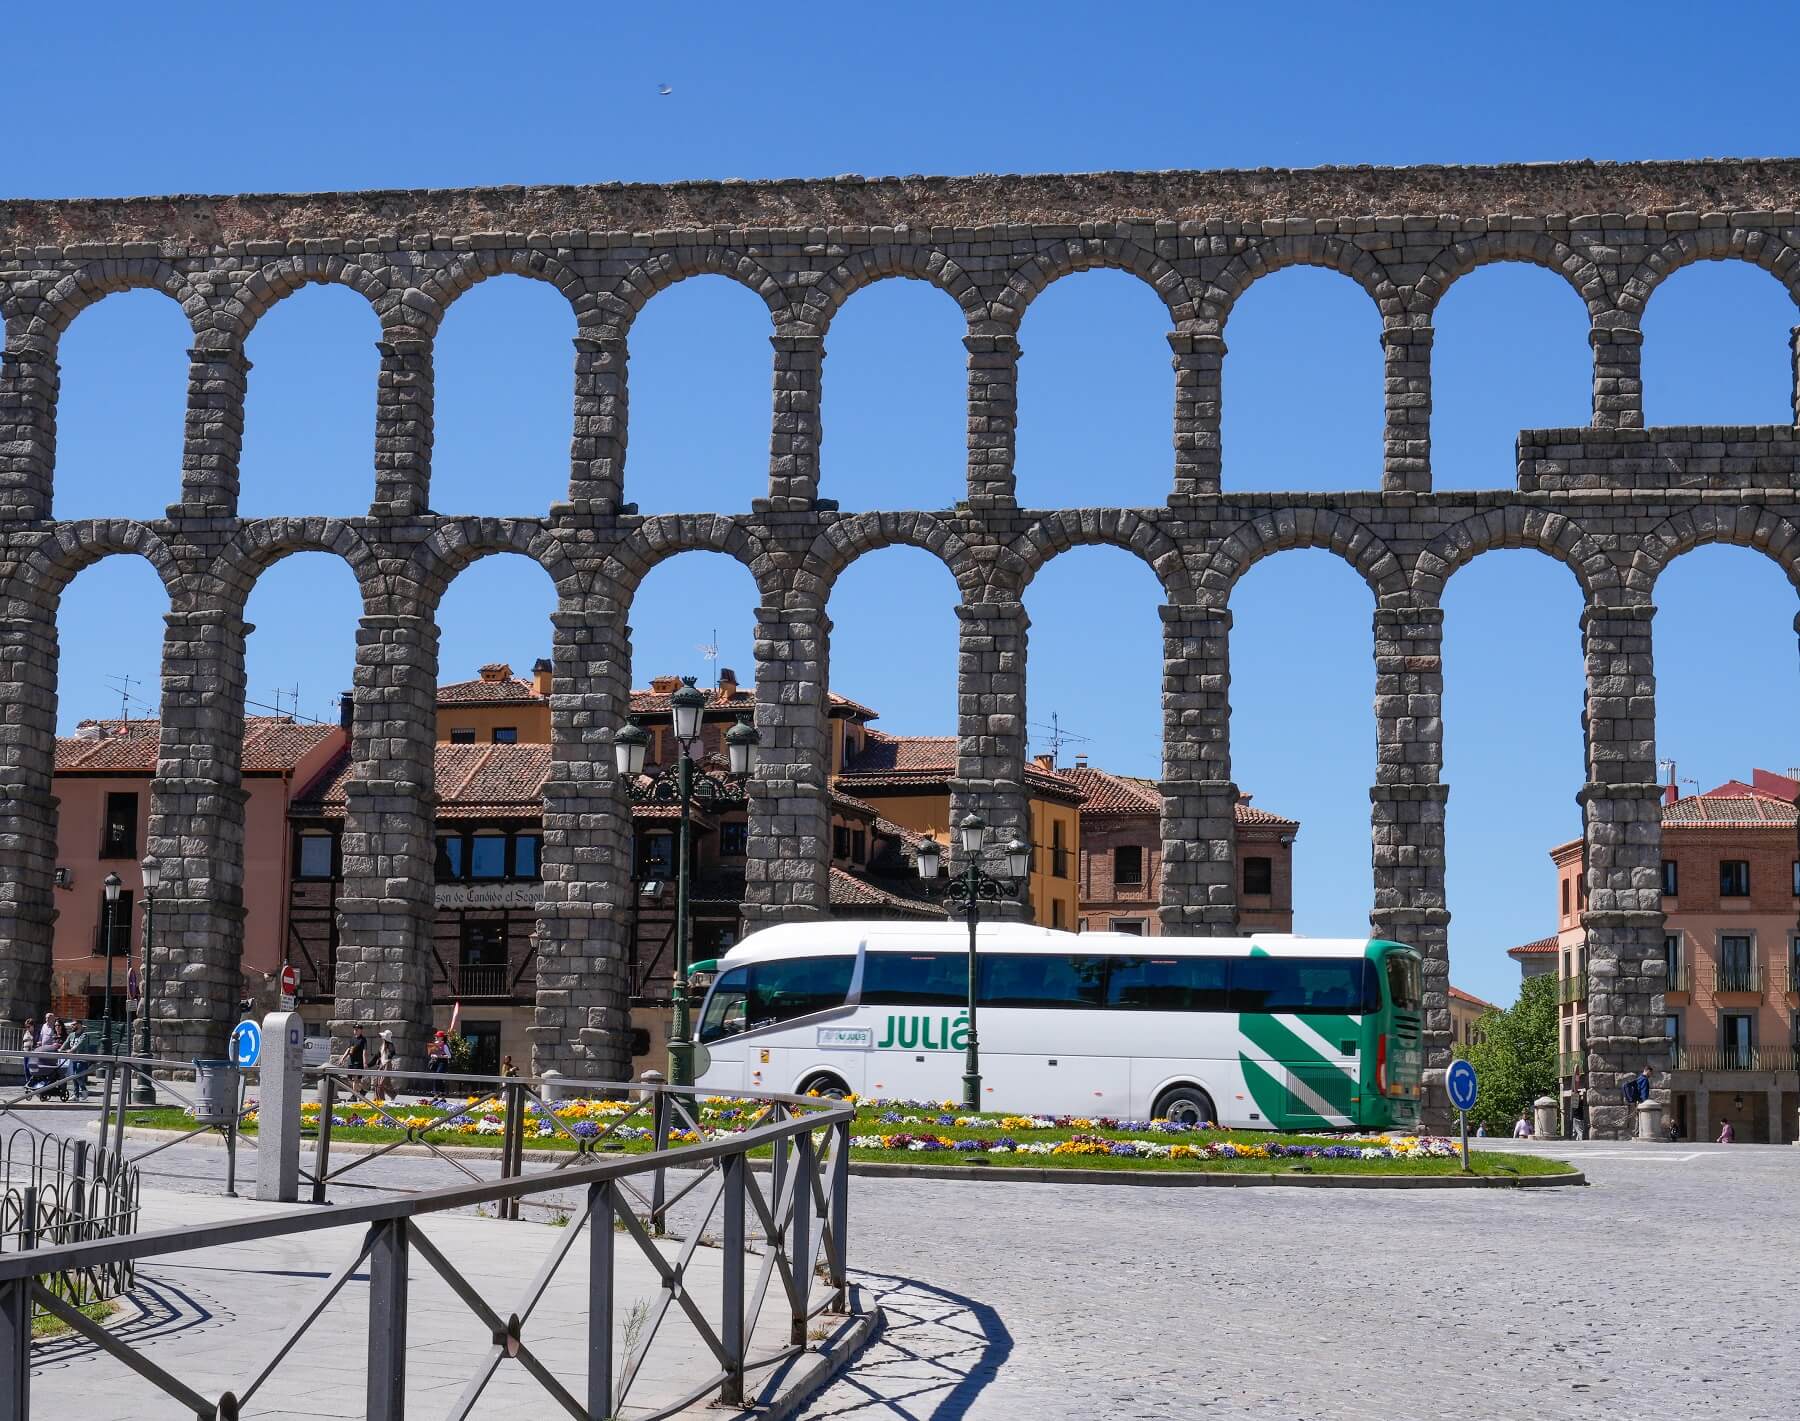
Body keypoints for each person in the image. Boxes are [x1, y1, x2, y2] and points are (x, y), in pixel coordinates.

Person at [60, 1020, 92, 1101]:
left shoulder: (84, 1036)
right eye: (72, 1025)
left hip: (82, 1059)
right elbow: (66, 1043)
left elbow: (79, 1045)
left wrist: (70, 1051)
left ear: (80, 1025)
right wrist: (60, 1050)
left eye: (74, 1025)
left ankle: (83, 1089)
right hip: (73, 1059)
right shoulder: (71, 1035)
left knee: (76, 1074)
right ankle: (76, 1095)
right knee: (74, 1077)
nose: (72, 1026)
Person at [341, 1024, 368, 1095]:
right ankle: (362, 1090)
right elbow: (348, 1049)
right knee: (350, 1079)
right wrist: (343, 1058)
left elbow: (364, 1051)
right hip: (351, 1061)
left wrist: (365, 1062)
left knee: (355, 1079)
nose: (355, 1030)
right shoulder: (352, 1039)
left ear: (361, 1030)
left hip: (358, 1062)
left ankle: (354, 1095)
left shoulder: (363, 1040)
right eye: (354, 1029)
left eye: (357, 1029)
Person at [373, 1030, 398, 1102]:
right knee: (378, 1083)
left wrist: (388, 1057)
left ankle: (383, 1099)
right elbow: (376, 1056)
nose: (381, 1037)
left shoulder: (390, 1044)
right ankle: (380, 1098)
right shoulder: (382, 1046)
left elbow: (393, 1052)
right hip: (381, 1065)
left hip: (387, 1065)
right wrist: (369, 1064)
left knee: (381, 1083)